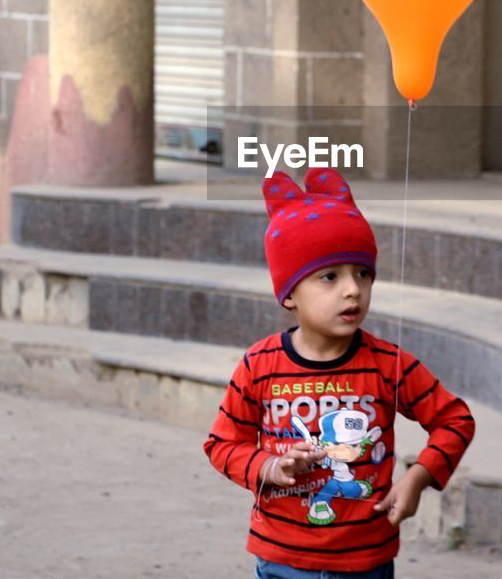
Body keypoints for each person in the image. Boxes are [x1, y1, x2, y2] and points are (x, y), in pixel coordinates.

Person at [203, 167, 475, 578]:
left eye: (362, 273)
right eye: (330, 276)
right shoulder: (259, 366)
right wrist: (268, 467)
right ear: (289, 294)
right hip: (283, 559)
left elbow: (455, 420)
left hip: (366, 561)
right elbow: (222, 445)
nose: (353, 290)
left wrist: (417, 478)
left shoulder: (388, 364)